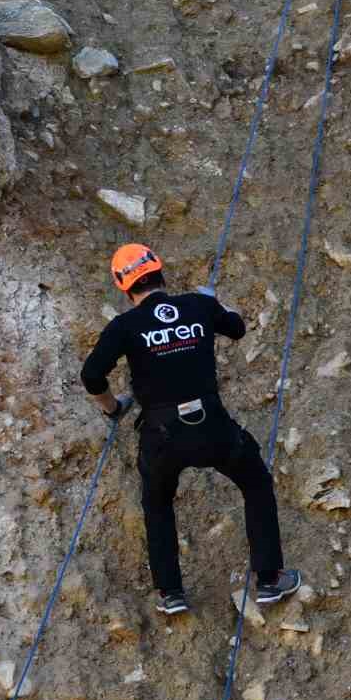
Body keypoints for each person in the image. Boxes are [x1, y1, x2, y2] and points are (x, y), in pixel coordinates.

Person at [81, 243, 301, 616]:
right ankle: (268, 579)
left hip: (162, 434)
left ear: (124, 285)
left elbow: (91, 375)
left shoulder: (125, 327)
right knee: (256, 482)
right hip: (213, 427)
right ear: (159, 269)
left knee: (157, 503)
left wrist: (114, 409)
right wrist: (215, 302)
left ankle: (171, 593)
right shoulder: (197, 306)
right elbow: (237, 328)